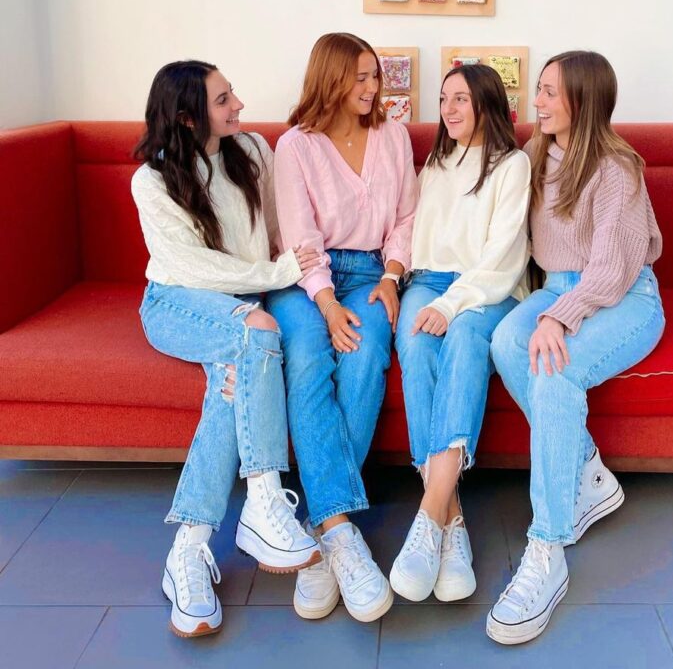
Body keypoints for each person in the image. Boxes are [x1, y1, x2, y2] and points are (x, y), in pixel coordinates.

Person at [131, 60, 321, 639]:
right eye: (223, 99)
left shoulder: (254, 153)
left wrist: (305, 275)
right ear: (188, 118)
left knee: (232, 379)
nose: (238, 104)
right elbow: (189, 266)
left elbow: (286, 224)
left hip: (242, 303)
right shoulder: (153, 180)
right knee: (258, 333)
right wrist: (275, 270)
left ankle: (188, 548)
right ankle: (264, 497)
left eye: (232, 91)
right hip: (178, 303)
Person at [487, 51, 665, 646]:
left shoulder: (617, 167)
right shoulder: (539, 153)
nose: (536, 102)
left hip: (624, 298)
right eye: (537, 90)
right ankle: (588, 468)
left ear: (582, 102)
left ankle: (548, 545)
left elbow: (612, 268)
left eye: (549, 93)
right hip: (562, 287)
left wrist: (559, 319)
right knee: (507, 340)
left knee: (554, 371)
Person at [266, 33, 417, 624]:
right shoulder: (295, 147)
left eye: (374, 76)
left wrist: (394, 278)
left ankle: (322, 528)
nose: (371, 88)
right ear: (328, 79)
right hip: (307, 281)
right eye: (359, 77)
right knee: (308, 362)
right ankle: (342, 533)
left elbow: (406, 216)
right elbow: (301, 240)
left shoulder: (394, 136)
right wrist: (327, 306)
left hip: (374, 275)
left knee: (366, 356)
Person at [389, 64, 530, 604]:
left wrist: (453, 304)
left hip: (487, 287)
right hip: (428, 279)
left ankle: (427, 517)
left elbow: (502, 258)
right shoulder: (437, 160)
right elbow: (414, 233)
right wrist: (400, 282)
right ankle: (453, 524)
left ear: (487, 104)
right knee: (416, 340)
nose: (448, 110)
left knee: (469, 339)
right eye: (444, 99)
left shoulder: (512, 164)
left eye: (461, 100)